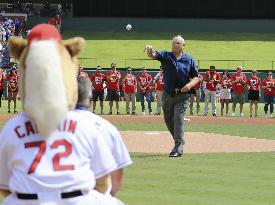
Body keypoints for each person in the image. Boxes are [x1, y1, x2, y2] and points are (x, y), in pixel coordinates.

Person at [0, 24, 119, 205]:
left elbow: (5, 186)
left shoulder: (12, 128)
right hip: (77, 199)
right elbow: (103, 182)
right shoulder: (87, 125)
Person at [76, 76, 132, 199]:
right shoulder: (108, 128)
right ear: (90, 101)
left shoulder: (50, 127)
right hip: (95, 197)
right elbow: (117, 178)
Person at [145, 35, 199, 157]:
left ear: (183, 46)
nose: (175, 45)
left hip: (183, 94)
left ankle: (178, 147)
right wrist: (149, 50)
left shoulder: (189, 59)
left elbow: (196, 77)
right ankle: (179, 141)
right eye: (174, 43)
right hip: (168, 94)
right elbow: (153, 55)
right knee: (169, 121)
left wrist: (190, 85)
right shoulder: (166, 55)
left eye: (178, 43)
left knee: (178, 119)